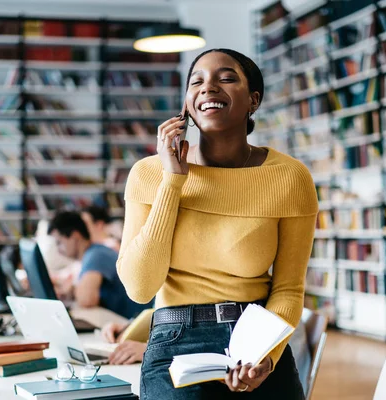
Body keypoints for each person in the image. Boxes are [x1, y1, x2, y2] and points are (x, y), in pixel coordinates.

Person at [117, 48, 318, 399]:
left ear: (253, 100)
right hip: (175, 341)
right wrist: (172, 180)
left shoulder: (289, 178)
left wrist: (265, 357)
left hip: (257, 338)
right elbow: (139, 288)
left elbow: (288, 290)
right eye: (197, 81)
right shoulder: (148, 174)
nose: (208, 88)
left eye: (226, 79)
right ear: (186, 105)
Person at [48, 211, 148, 319]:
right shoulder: (92, 253)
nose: (58, 249)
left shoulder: (96, 255)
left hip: (133, 322)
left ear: (75, 236)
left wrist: (73, 289)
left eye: (59, 242)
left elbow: (87, 300)